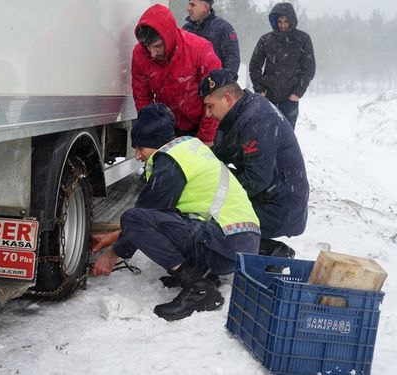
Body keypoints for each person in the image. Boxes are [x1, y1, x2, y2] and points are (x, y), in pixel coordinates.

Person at [91, 103, 260, 321]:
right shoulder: (188, 148)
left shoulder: (171, 162)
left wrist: (113, 254)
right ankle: (204, 274)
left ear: (154, 142)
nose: (138, 155)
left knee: (133, 218)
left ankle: (198, 286)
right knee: (171, 219)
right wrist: (114, 237)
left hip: (226, 242)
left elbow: (142, 218)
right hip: (240, 242)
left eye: (140, 147)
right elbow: (161, 215)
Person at [199, 69, 309, 258]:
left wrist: (214, 201)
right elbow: (223, 152)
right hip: (273, 195)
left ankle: (270, 251)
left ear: (227, 99)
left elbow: (256, 180)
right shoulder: (245, 109)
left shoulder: (257, 120)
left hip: (280, 207)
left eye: (210, 106)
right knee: (210, 185)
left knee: (210, 221)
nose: (208, 114)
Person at [132, 4, 222, 146]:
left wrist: (205, 137)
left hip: (201, 124)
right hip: (168, 126)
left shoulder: (199, 50)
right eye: (147, 47)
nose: (152, 54)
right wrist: (151, 131)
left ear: (168, 38)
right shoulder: (140, 54)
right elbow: (142, 96)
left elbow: (215, 96)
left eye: (157, 46)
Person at [249, 2, 316, 129]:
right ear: (275, 21)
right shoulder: (265, 40)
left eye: (286, 21)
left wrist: (298, 92)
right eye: (279, 21)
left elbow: (309, 68)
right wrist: (260, 90)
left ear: (292, 20)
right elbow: (254, 66)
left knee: (287, 136)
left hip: (290, 99)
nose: (282, 25)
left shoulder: (303, 39)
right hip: (268, 97)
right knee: (266, 134)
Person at [183, 0, 241, 73]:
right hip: (189, 83)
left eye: (192, 5)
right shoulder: (185, 30)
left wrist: (219, 80)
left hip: (214, 82)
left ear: (205, 7)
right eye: (189, 4)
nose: (188, 8)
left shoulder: (223, 28)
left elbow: (232, 63)